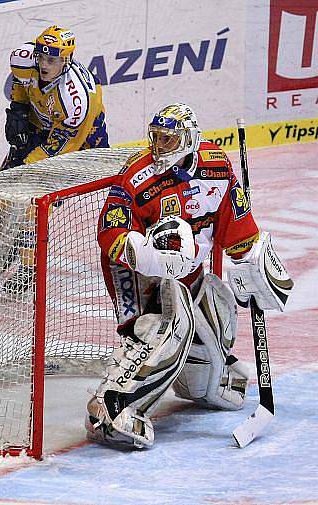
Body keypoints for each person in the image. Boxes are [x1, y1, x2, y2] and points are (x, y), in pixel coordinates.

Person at [87, 103, 293, 448]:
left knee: (218, 313)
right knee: (165, 328)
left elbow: (238, 229)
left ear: (189, 140)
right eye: (156, 138)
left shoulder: (216, 168)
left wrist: (254, 264)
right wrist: (151, 259)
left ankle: (209, 381)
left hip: (192, 271)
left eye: (168, 139)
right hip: (141, 275)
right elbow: (111, 234)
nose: (158, 146)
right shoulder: (138, 176)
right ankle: (110, 406)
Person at [1, 25, 109, 171]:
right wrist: (19, 108)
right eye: (41, 57)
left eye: (51, 60)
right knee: (8, 173)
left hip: (83, 133)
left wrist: (26, 167)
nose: (44, 65)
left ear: (65, 61)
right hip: (42, 121)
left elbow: (58, 147)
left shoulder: (75, 101)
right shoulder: (24, 58)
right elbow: (21, 79)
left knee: (95, 177)